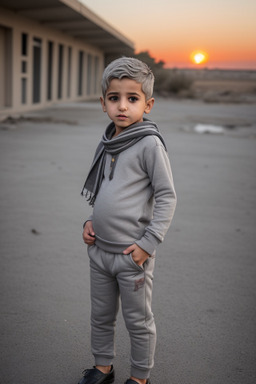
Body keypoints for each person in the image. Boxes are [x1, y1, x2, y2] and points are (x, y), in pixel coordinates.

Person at [79, 57, 177, 384]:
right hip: (100, 252)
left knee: (138, 321)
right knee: (101, 316)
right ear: (103, 102)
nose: (122, 106)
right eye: (114, 98)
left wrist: (147, 246)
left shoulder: (149, 144)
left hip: (131, 256)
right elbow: (106, 190)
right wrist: (92, 220)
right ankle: (103, 366)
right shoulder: (108, 142)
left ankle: (140, 377)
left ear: (147, 105)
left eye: (132, 99)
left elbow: (166, 196)